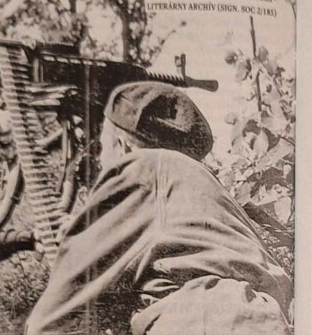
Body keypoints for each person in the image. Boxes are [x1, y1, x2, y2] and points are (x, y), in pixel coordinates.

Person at [25, 82, 292, 334]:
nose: (101, 164)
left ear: (123, 146)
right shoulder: (201, 185)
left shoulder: (143, 167)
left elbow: (53, 317)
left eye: (102, 152)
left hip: (203, 320)